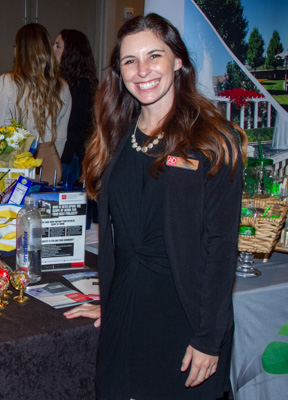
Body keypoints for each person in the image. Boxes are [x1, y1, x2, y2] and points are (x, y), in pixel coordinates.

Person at [64, 13, 247, 400]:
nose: (142, 70)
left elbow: (221, 247)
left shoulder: (212, 140)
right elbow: (119, 236)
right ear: (120, 71)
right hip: (127, 310)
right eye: (130, 61)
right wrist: (111, 299)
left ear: (177, 61)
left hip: (184, 317)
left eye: (154, 56)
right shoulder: (117, 132)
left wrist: (210, 337)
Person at [0, 23, 71, 186]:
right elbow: (61, 137)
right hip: (49, 165)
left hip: (14, 165)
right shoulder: (62, 86)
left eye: (16, 46)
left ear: (22, 50)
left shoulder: (7, 82)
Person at [53, 29, 98, 186]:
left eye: (58, 46)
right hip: (63, 154)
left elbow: (75, 128)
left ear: (71, 53)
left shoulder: (80, 85)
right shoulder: (66, 82)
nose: (53, 49)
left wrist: (61, 157)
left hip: (66, 156)